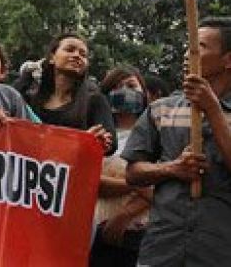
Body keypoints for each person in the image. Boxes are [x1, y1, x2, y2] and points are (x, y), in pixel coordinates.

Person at [123, 17, 231, 267]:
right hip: (162, 248)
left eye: (200, 47)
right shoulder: (161, 110)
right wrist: (172, 169)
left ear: (228, 59)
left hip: (218, 251)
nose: (187, 54)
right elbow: (133, 173)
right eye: (187, 46)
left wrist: (212, 110)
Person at [92, 66, 150, 266]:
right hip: (95, 231)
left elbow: (162, 184)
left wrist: (124, 216)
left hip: (140, 234)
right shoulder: (99, 136)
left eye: (131, 85)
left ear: (144, 93)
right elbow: (91, 182)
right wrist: (138, 183)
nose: (125, 90)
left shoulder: (157, 133)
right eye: (117, 87)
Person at [20, 34, 115, 154]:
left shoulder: (94, 101)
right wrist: (29, 72)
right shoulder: (31, 100)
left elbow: (110, 145)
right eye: (69, 50)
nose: (77, 56)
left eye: (83, 54)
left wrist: (94, 140)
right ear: (51, 57)